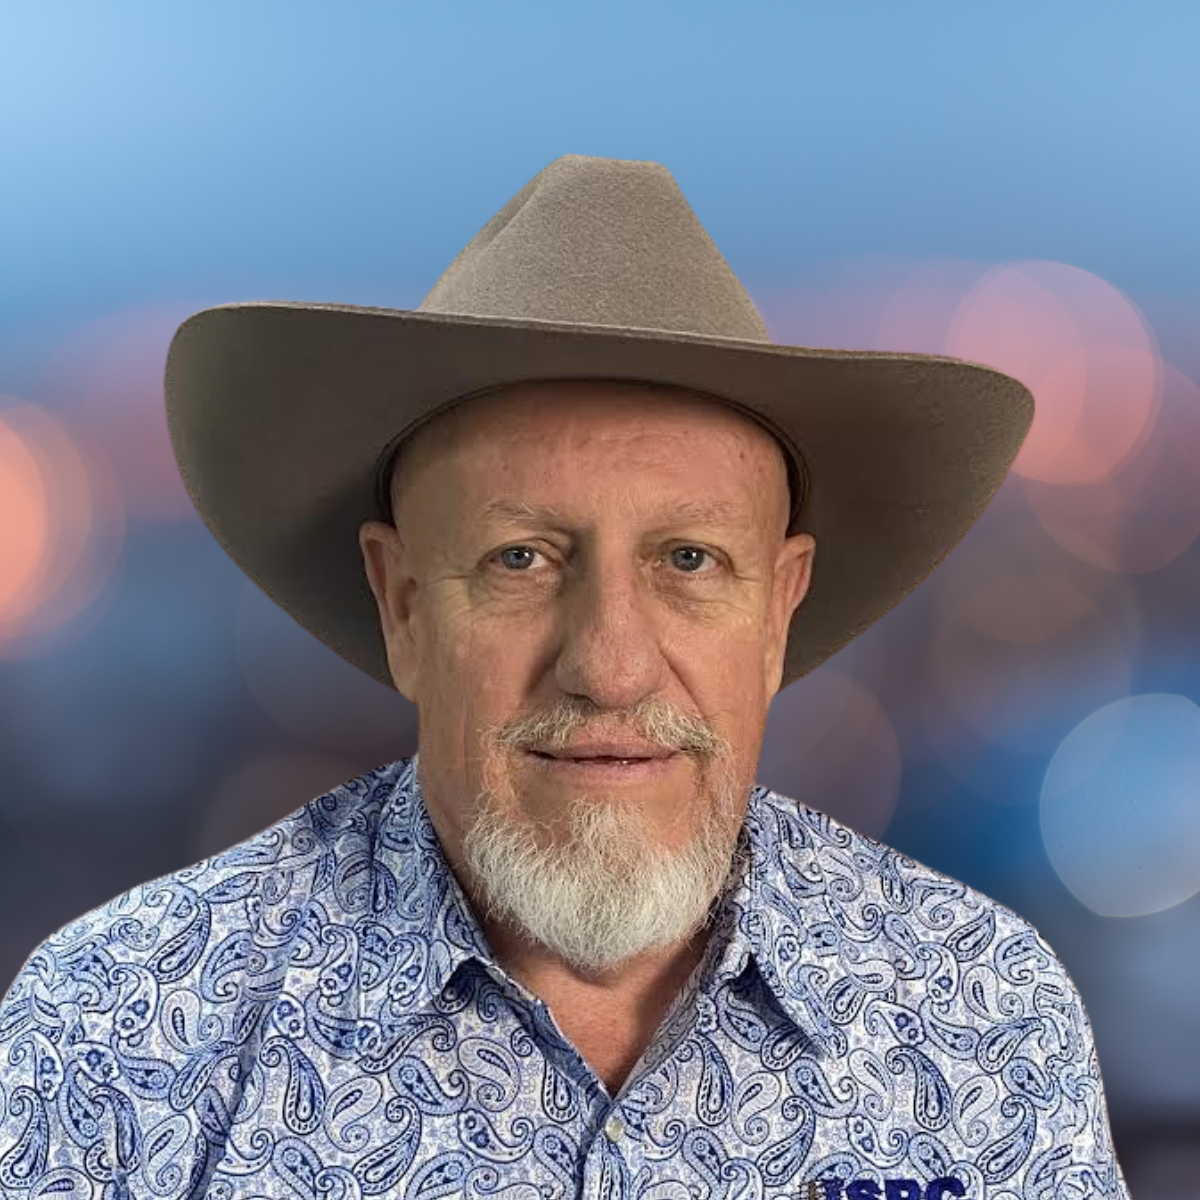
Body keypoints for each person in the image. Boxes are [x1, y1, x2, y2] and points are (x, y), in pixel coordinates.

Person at [0, 154, 1130, 1199]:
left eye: (689, 560)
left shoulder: (980, 1015)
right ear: (401, 604)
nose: (611, 663)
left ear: (779, 610)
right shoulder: (125, 1034)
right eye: (523, 559)